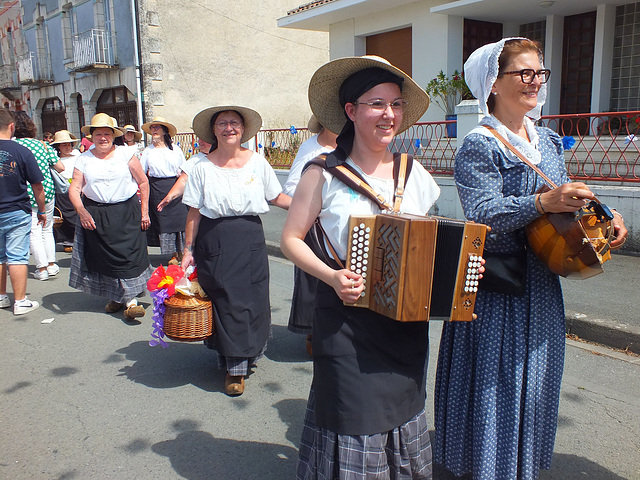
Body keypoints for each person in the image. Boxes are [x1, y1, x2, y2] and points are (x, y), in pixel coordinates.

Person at [433, 38, 628, 480]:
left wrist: (605, 215)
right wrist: (542, 202)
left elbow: (570, 198)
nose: (535, 81)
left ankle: (519, 466)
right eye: (523, 73)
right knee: (497, 383)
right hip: (498, 284)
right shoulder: (479, 145)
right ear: (493, 84)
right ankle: (487, 468)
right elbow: (483, 211)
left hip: (543, 283)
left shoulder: (548, 139)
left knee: (535, 381)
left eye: (539, 72)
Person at [280, 56, 440, 479]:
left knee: (403, 411)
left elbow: (433, 242)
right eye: (376, 104)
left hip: (404, 324)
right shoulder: (324, 173)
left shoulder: (415, 174)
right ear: (351, 111)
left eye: (395, 105)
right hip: (346, 322)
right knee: (354, 416)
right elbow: (290, 240)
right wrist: (332, 276)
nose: (388, 115)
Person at [181, 105, 290, 396]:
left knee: (252, 298)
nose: (229, 128)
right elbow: (193, 212)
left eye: (234, 123)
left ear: (243, 129)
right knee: (225, 300)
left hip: (251, 236)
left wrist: (310, 208)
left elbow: (276, 196)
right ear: (213, 130)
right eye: (222, 124)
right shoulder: (201, 167)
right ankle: (234, 367)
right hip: (215, 238)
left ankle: (249, 353)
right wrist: (188, 249)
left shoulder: (257, 162)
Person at [68, 113, 152, 320]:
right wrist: (82, 211)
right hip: (97, 214)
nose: (103, 137)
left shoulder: (126, 154)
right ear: (92, 136)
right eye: (98, 134)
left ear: (114, 135)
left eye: (107, 133)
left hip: (127, 213)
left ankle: (131, 301)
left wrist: (145, 211)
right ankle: (117, 297)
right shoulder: (84, 158)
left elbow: (143, 182)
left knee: (129, 257)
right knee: (105, 259)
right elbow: (74, 188)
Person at [283, 115, 337, 355]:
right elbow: (291, 187)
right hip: (314, 225)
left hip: (338, 226)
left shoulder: (353, 145)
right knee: (314, 281)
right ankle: (313, 332)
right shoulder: (311, 148)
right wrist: (314, 204)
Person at [0, 108, 45, 315]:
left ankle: (1, 297)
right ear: (12, 127)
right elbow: (37, 185)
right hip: (17, 209)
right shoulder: (22, 151)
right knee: (17, 256)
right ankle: (20, 301)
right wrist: (42, 209)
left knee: (0, 257)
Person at [13, 112, 64, 281]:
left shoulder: (14, 146)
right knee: (47, 228)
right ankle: (51, 264)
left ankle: (41, 267)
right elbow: (60, 167)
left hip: (24, 192)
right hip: (46, 190)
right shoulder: (42, 145)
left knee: (34, 231)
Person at [140, 116, 188, 261]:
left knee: (180, 220)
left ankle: (183, 252)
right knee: (164, 221)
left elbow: (184, 169)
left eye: (157, 128)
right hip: (157, 188)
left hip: (176, 186)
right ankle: (172, 254)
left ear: (164, 131)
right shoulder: (148, 151)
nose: (154, 130)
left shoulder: (175, 150)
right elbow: (142, 171)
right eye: (152, 128)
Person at [156, 137, 212, 212]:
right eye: (199, 138)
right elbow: (184, 180)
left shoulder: (226, 158)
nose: (200, 141)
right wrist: (170, 196)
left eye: (204, 139)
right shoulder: (195, 160)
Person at [50, 130, 81, 253]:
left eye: (69, 144)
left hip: (77, 187)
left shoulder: (78, 155)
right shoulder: (55, 160)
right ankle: (67, 241)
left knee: (77, 214)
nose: (67, 147)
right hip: (62, 191)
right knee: (64, 216)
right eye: (64, 145)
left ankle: (78, 238)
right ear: (58, 146)